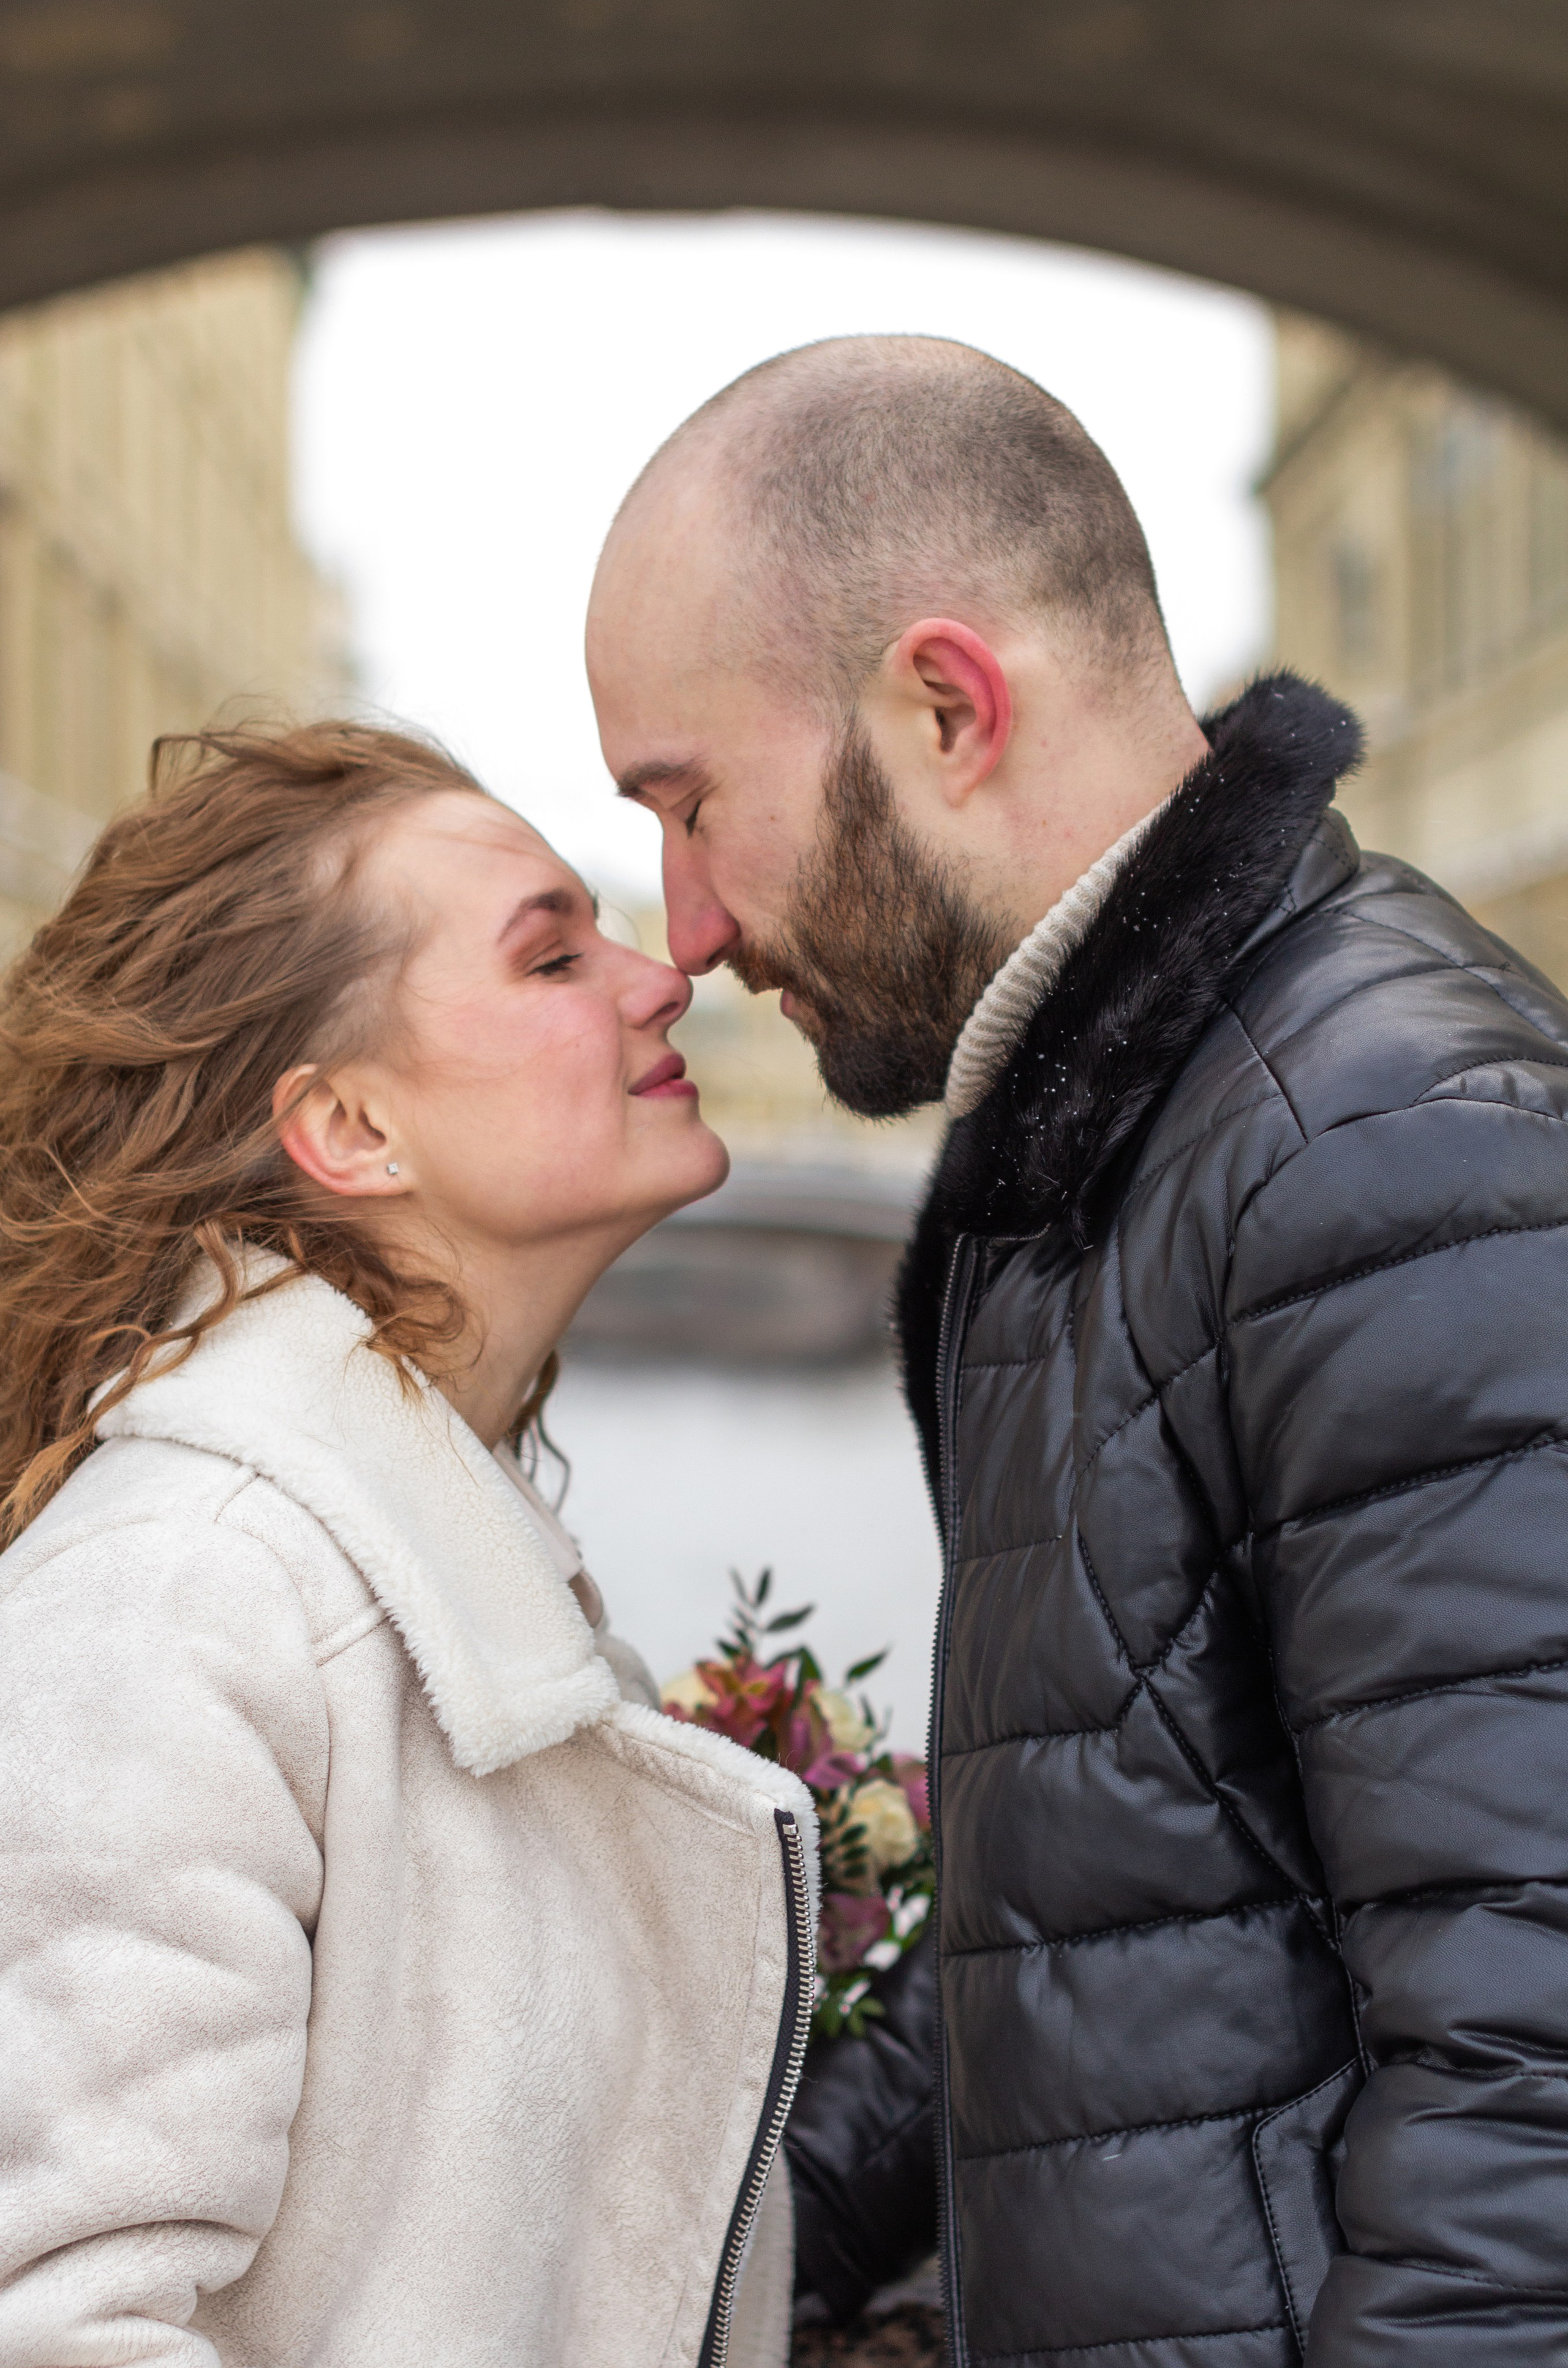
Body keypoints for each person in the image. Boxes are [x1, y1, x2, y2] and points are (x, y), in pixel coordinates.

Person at [588, 334, 1568, 2362]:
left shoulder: (1380, 1148)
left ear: (946, 707)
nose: (680, 927)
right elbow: (1105, 1947)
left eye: (693, 806)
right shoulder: (1119, 1140)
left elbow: (1537, 2074)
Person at [0, 722, 813, 2368]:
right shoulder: (183, 1594)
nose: (661, 980)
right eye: (553, 953)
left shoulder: (396, 1563)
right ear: (352, 1128)